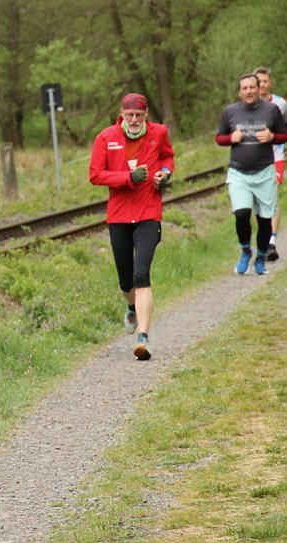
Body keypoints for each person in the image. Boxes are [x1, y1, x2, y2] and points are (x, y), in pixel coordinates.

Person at [89, 93, 175, 361]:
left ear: (146, 113)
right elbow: (95, 175)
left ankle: (143, 336)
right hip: (119, 215)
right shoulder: (106, 137)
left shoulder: (158, 133)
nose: (134, 120)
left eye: (139, 115)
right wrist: (127, 177)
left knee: (141, 275)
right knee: (126, 281)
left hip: (149, 213)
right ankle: (130, 306)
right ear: (121, 114)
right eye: (130, 115)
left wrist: (165, 173)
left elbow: (167, 158)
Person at [216, 73, 287, 276]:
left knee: (265, 219)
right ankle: (246, 250)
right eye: (244, 88)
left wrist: (273, 137)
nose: (249, 91)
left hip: (265, 171)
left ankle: (261, 257)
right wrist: (231, 137)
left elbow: (284, 134)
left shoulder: (272, 110)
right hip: (238, 172)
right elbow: (219, 138)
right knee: (241, 213)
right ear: (239, 92)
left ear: (258, 89)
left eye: (252, 87)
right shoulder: (230, 112)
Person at [252, 67, 287, 261]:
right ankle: (263, 238)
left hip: (275, 157)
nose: (262, 85)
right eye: (259, 82)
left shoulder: (281, 104)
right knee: (257, 203)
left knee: (271, 197)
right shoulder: (248, 105)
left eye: (265, 81)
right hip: (253, 159)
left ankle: (272, 242)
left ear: (270, 83)